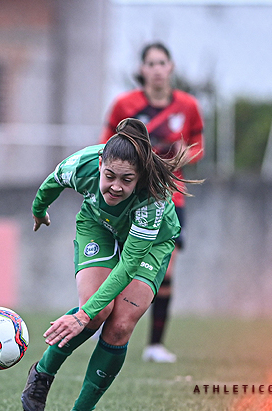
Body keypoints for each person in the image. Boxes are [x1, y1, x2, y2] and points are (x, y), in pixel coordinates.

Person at [20, 118, 200, 411]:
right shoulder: (82, 165)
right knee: (96, 309)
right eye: (110, 176)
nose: (115, 187)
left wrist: (81, 316)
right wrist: (38, 210)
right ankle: (42, 374)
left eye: (126, 180)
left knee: (120, 325)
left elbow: (129, 264)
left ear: (139, 177)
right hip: (98, 225)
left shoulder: (152, 198)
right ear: (101, 163)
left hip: (152, 243)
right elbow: (52, 183)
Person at [99, 42, 204, 363]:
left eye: (162, 62)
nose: (157, 69)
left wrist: (179, 157)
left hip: (170, 198)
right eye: (151, 63)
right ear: (142, 70)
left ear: (170, 67)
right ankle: (101, 322)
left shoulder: (187, 106)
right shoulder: (124, 104)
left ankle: (155, 345)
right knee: (118, 266)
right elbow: (106, 145)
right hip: (129, 198)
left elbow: (197, 144)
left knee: (166, 269)